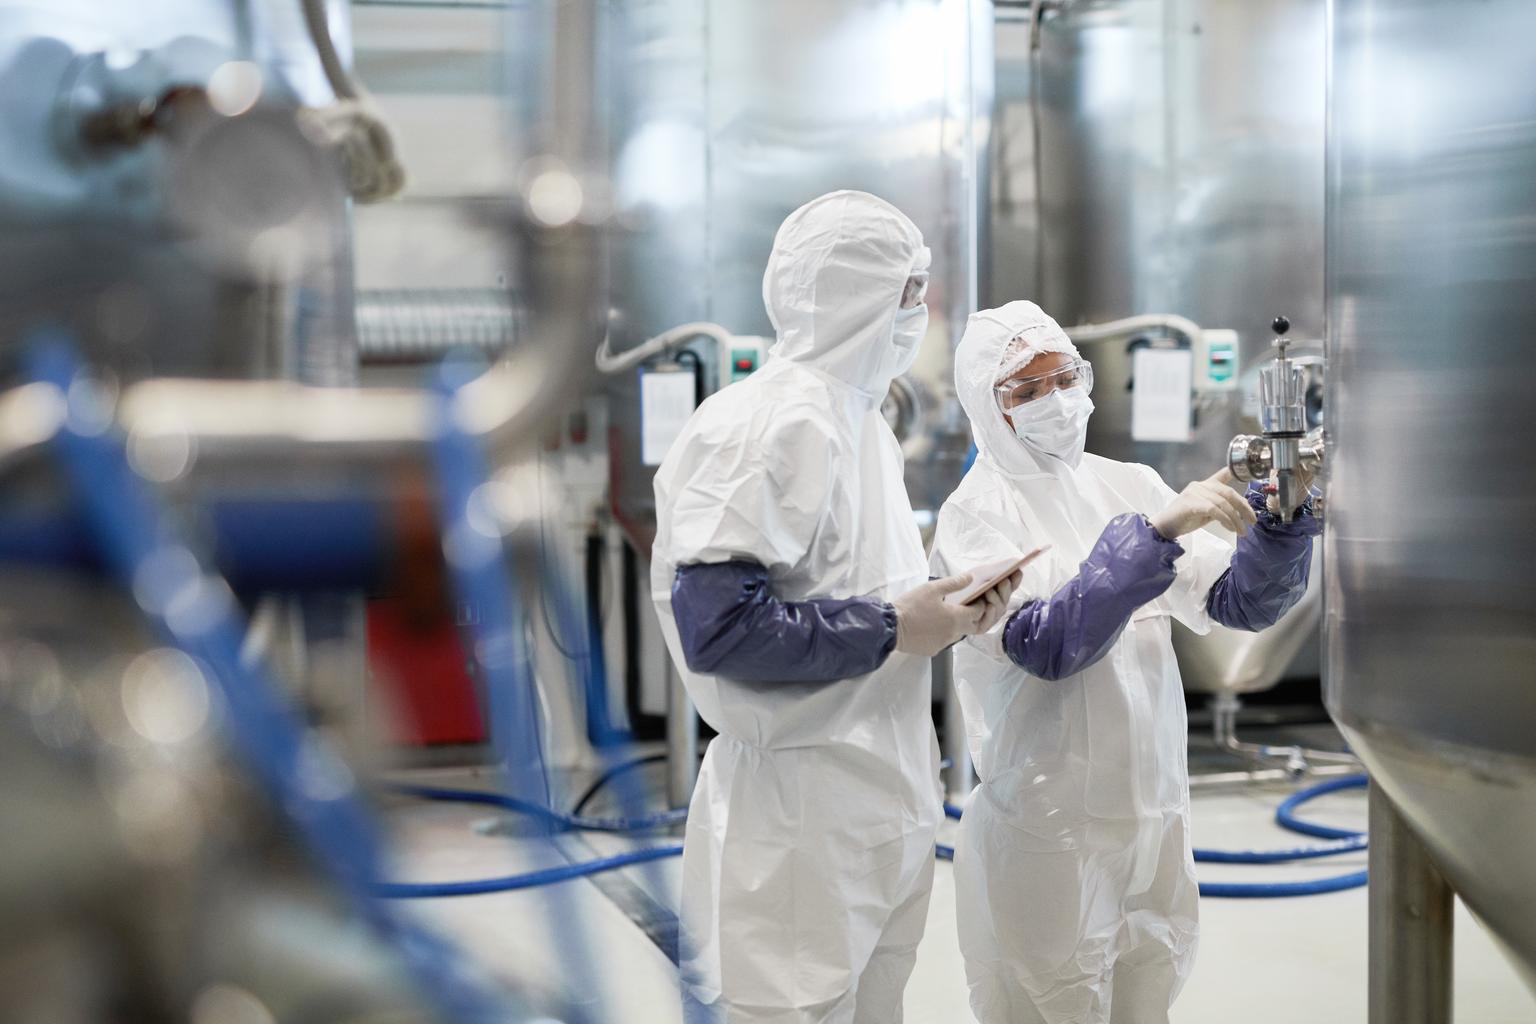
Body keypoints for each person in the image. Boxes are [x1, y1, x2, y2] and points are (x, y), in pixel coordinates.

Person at [650, 190, 1018, 1023]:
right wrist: (896, 626)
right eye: (908, 290)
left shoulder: (863, 425)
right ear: (857, 296)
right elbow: (719, 627)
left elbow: (849, 591)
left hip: (881, 786)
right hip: (796, 811)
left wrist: (947, 608)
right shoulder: (764, 425)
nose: (920, 313)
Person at [930, 300, 1322, 1024]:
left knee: (1147, 996)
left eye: (1064, 377)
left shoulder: (1127, 482)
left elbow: (1235, 604)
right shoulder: (976, 514)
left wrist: (1281, 528)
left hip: (1152, 817)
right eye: (1025, 389)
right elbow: (1051, 643)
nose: (1054, 399)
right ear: (990, 408)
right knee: (1052, 998)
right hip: (1049, 829)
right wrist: (1160, 530)